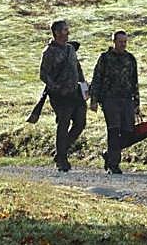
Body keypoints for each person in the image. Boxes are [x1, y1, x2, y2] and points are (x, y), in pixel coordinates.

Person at [89, 30, 139, 175]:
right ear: (114, 42)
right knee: (114, 130)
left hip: (126, 100)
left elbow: (134, 81)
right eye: (120, 41)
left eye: (125, 41)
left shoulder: (130, 59)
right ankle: (113, 165)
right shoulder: (105, 58)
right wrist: (94, 100)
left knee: (127, 132)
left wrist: (136, 103)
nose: (123, 44)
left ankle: (109, 154)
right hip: (109, 99)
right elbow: (97, 78)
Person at [39, 19, 86, 172]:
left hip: (75, 93)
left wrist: (84, 87)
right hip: (60, 96)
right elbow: (44, 74)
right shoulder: (49, 52)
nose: (68, 33)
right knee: (63, 124)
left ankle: (61, 151)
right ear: (57, 33)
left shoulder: (71, 49)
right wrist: (57, 88)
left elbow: (78, 69)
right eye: (65, 30)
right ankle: (62, 159)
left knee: (80, 123)